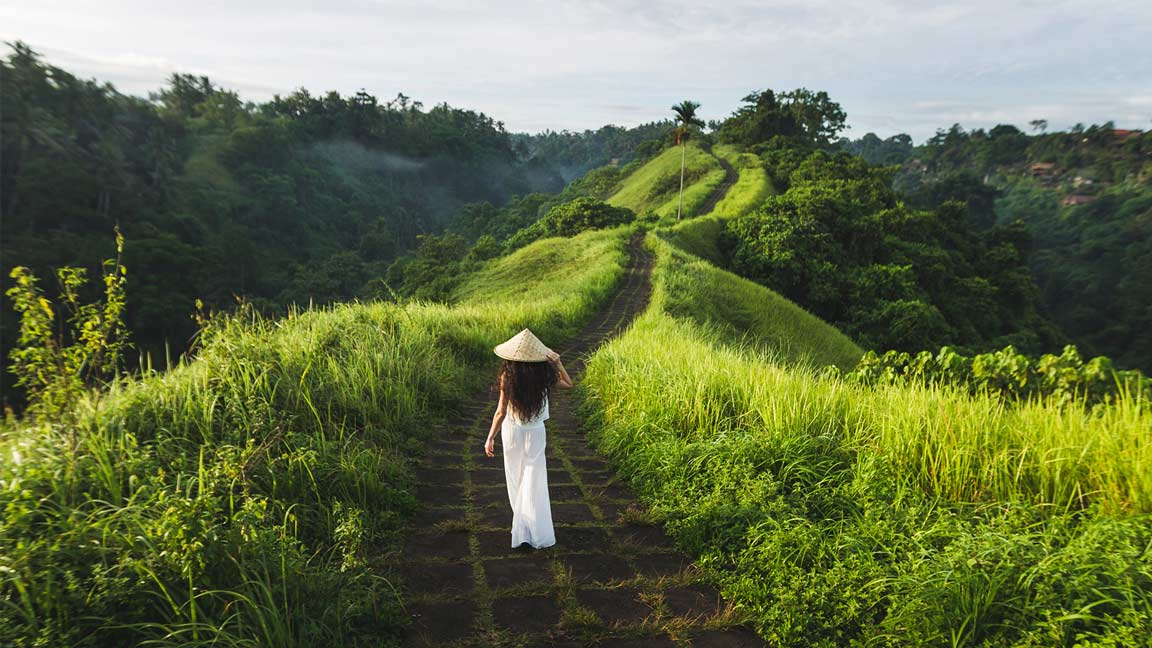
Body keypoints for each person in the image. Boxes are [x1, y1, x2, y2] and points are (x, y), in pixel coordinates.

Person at [484, 328, 573, 549]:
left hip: (512, 432)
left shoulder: (507, 376)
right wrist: (558, 363)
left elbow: (500, 411)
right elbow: (569, 384)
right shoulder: (544, 375)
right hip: (535, 432)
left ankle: (522, 528)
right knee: (534, 478)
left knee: (516, 476)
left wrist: (490, 437)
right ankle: (534, 530)